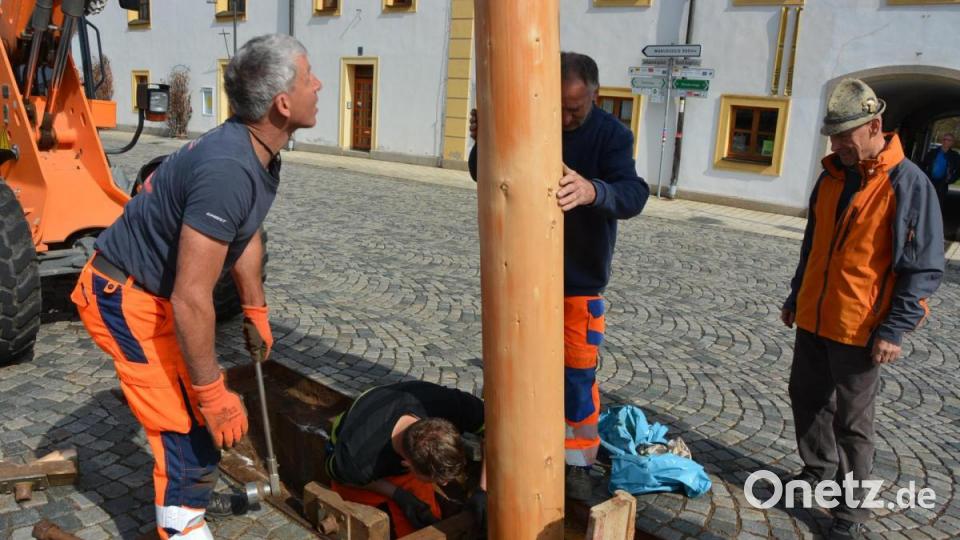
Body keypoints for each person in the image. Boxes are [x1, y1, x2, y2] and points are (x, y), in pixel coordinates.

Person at [70, 34, 321, 540]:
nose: (318, 84)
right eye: (308, 76)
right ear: (283, 103)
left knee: (198, 421)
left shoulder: (260, 152)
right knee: (184, 428)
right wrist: (211, 393)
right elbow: (191, 297)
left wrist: (255, 310)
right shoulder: (229, 168)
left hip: (156, 298)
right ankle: (182, 527)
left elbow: (244, 235)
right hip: (121, 299)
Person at [468, 51, 649, 500]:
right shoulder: (531, 120)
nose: (566, 118)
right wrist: (483, 143)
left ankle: (579, 464)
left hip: (578, 284)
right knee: (515, 368)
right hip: (522, 276)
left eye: (576, 108)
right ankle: (514, 449)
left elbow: (633, 194)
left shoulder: (612, 135)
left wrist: (593, 190)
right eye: (558, 108)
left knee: (576, 376)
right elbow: (484, 174)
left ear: (596, 95)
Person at [781, 78, 944, 540]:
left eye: (844, 136)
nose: (837, 145)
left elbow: (924, 266)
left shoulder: (908, 184)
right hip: (815, 315)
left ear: (874, 126)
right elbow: (814, 245)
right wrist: (797, 296)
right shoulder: (831, 175)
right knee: (806, 397)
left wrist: (895, 329)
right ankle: (815, 472)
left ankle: (851, 512)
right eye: (832, 136)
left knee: (853, 423)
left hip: (861, 326)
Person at [324, 381, 487, 537]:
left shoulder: (448, 405)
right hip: (353, 463)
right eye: (436, 479)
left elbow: (494, 425)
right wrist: (397, 494)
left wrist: (484, 489)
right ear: (407, 464)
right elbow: (339, 476)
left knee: (423, 520)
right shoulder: (355, 461)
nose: (444, 484)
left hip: (388, 426)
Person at [920, 132, 959, 212]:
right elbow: (923, 164)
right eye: (944, 139)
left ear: (952, 143)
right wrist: (924, 176)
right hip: (930, 180)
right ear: (942, 141)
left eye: (949, 140)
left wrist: (952, 179)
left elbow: (959, 170)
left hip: (943, 182)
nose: (946, 141)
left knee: (938, 202)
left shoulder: (954, 156)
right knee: (926, 200)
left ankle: (935, 219)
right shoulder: (933, 152)